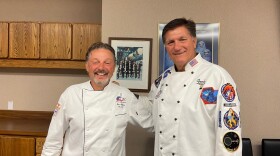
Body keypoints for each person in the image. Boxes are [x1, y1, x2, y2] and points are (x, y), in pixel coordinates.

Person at [147, 18, 242, 156]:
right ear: (166, 47)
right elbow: (150, 116)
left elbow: (229, 132)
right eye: (170, 42)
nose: (177, 47)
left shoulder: (217, 77)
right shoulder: (161, 80)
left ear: (194, 41)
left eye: (182, 39)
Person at [41, 42, 152, 156]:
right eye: (95, 62)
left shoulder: (124, 95)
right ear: (87, 66)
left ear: (114, 67)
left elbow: (151, 123)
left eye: (107, 62)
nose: (101, 67)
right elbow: (53, 141)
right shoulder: (71, 94)